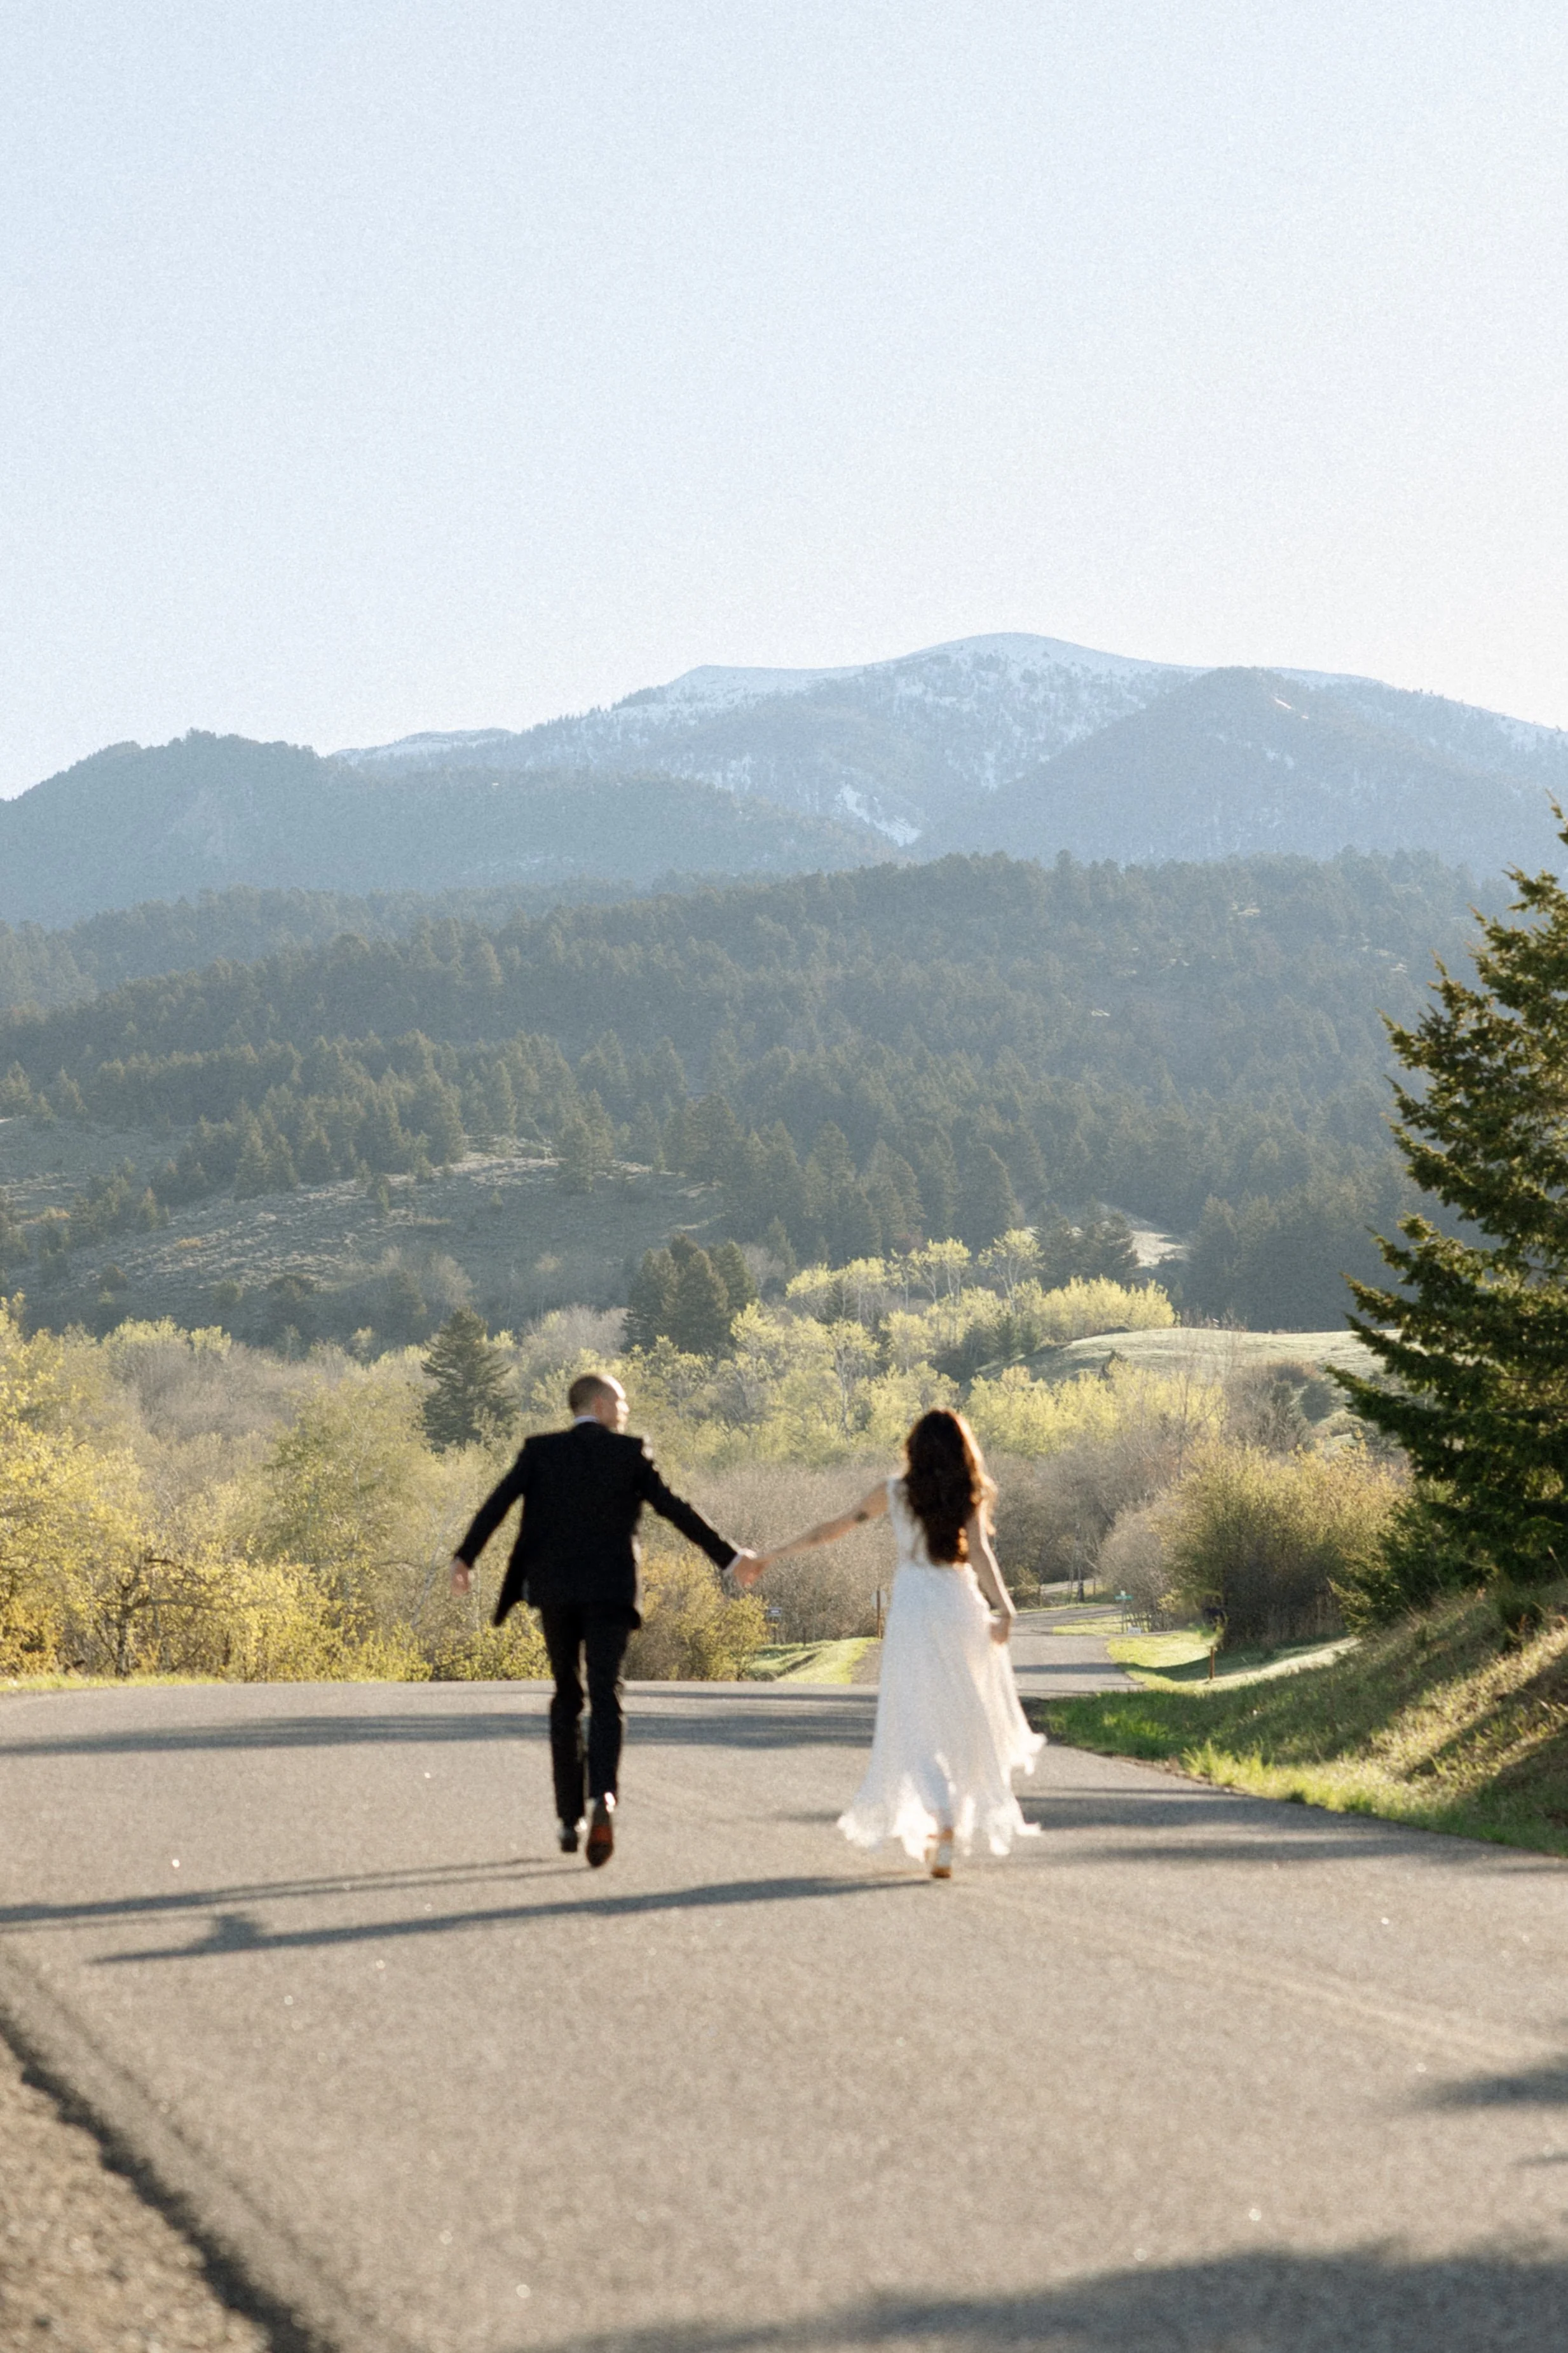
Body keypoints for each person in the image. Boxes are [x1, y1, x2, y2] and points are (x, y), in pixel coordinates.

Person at [451, 1371, 753, 1867]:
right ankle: (602, 1798)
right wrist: (730, 1558)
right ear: (600, 1401)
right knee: (606, 1693)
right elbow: (676, 1510)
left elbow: (497, 1504)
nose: (627, 1408)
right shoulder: (629, 1454)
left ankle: (567, 1818)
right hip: (611, 1592)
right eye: (622, 1399)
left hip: (555, 1592)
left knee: (567, 1697)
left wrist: (465, 1557)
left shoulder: (540, 1451)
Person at [737, 1408, 1041, 1878]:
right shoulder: (969, 1493)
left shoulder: (895, 1491)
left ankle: (941, 1821)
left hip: (915, 1606)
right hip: (959, 1602)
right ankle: (952, 1822)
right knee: (964, 1713)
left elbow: (833, 1528)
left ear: (914, 1448)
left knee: (912, 1718)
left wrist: (770, 1556)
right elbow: (979, 1552)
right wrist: (1005, 1607)